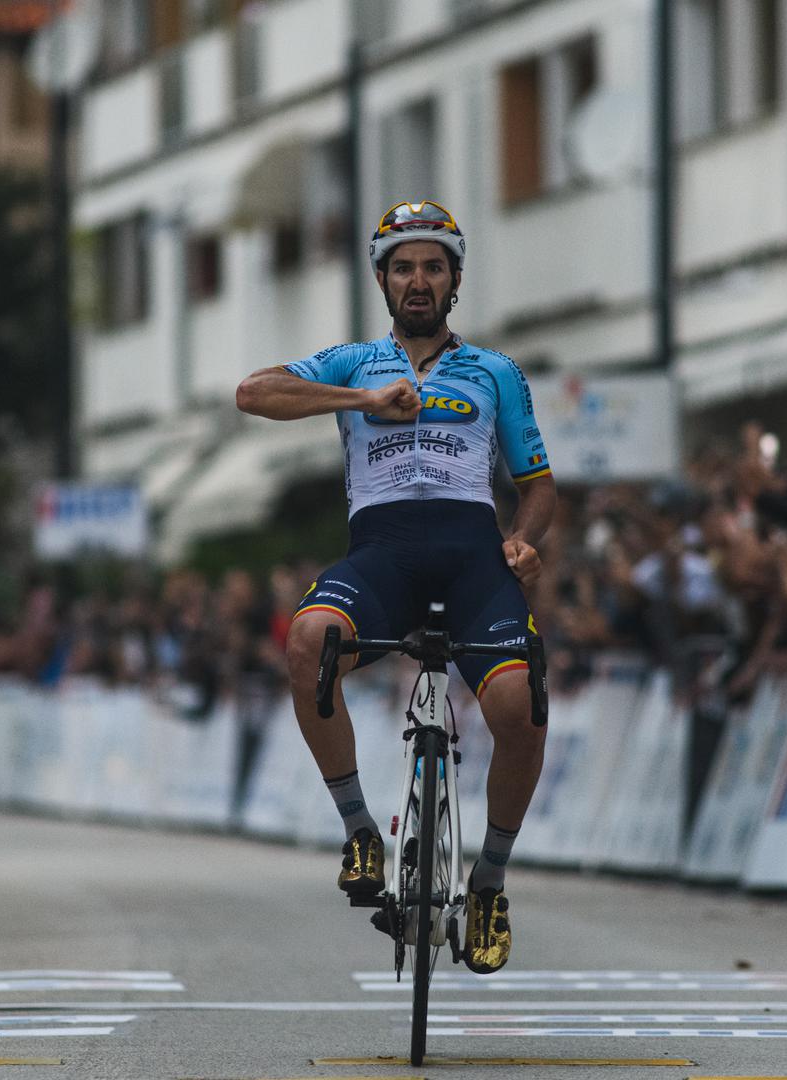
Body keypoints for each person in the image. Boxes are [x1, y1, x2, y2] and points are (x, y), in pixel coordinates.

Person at [235, 199, 555, 974]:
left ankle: (488, 881)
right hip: (380, 555)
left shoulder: (495, 372)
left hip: (472, 558)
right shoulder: (353, 362)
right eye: (404, 267)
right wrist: (361, 401)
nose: (419, 280)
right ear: (382, 279)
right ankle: (359, 832)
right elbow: (253, 392)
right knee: (308, 642)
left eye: (433, 267)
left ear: (453, 281)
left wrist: (524, 539)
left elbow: (538, 485)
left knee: (520, 705)